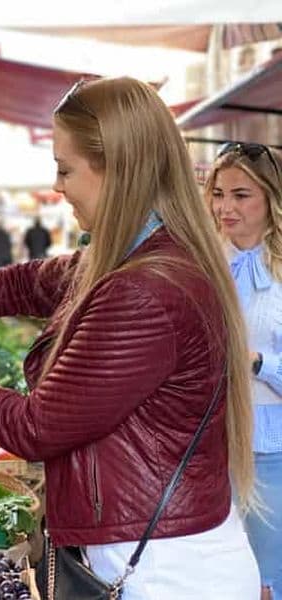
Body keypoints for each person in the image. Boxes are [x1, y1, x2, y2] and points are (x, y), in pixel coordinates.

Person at [0, 77, 260, 598]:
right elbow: (22, 283)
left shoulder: (144, 289)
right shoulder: (138, 256)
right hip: (155, 549)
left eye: (65, 169)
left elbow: (36, 427)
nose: (57, 186)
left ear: (117, 171)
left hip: (168, 572)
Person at [206, 142, 282, 600]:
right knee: (223, 577)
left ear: (271, 198)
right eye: (218, 194)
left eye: (241, 195)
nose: (225, 208)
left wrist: (255, 361)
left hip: (272, 452)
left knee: (268, 578)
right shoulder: (203, 263)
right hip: (210, 446)